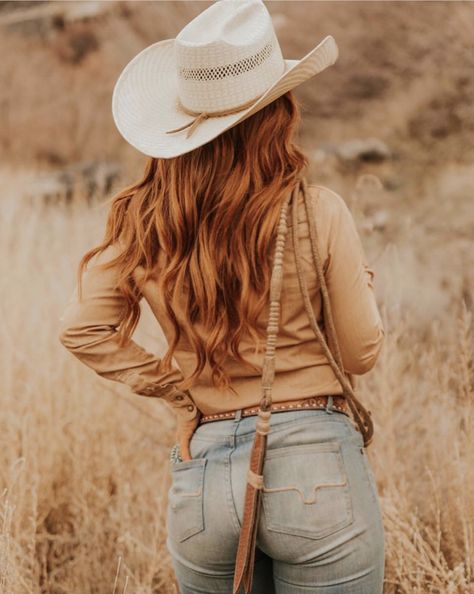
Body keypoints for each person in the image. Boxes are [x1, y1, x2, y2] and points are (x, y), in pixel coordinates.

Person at [58, 1, 386, 593]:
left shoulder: (143, 218)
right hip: (318, 474)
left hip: (204, 474)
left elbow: (83, 329)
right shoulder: (318, 211)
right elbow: (361, 354)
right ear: (278, 110)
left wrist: (180, 393)